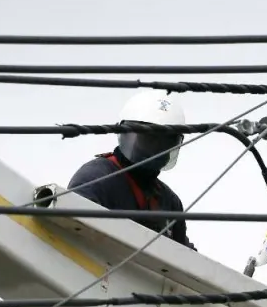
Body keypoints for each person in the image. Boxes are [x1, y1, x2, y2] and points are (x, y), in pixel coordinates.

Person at [68, 89, 195, 249]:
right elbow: (72, 230)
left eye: (164, 142)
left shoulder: (169, 201)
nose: (156, 148)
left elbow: (186, 257)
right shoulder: (97, 178)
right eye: (149, 139)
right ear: (125, 135)